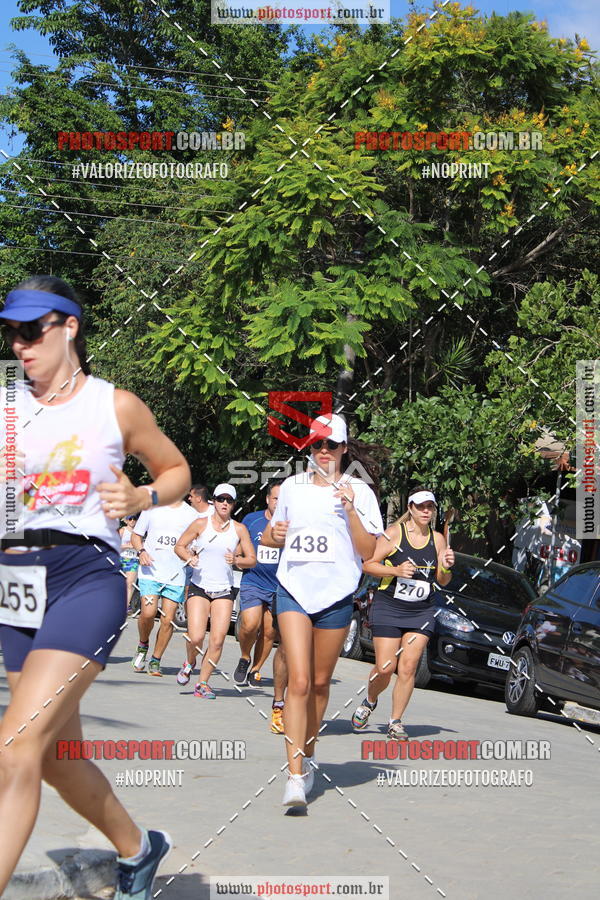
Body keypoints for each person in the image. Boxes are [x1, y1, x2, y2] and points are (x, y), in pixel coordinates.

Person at [0, 275, 190, 899]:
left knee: (16, 749)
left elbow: (176, 471)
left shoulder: (115, 405)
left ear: (70, 326)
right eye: (11, 332)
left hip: (88, 576)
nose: (20, 344)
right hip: (16, 581)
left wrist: (142, 495)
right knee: (55, 756)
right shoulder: (5, 402)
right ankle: (139, 849)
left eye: (33, 330)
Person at [260, 414, 384, 808]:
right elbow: (269, 535)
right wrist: (275, 536)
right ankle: (295, 776)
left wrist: (349, 511)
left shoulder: (360, 492)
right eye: (317, 445)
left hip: (335, 597)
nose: (324, 452)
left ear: (345, 448)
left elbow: (368, 552)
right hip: (293, 590)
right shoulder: (292, 488)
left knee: (317, 684)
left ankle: (308, 753)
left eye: (331, 445)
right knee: (297, 682)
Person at [352, 487, 455, 740]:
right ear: (410, 508)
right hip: (390, 607)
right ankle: (370, 700)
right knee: (386, 667)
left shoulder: (439, 539)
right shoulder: (394, 534)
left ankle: (395, 721)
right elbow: (368, 564)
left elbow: (443, 580)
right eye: (420, 506)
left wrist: (446, 566)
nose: (426, 511)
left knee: (408, 667)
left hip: (421, 611)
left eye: (430, 507)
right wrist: (396, 571)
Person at [174, 483, 256, 698]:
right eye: (221, 499)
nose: (225, 504)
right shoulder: (201, 524)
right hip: (200, 587)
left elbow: (252, 560)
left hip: (224, 590)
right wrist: (189, 557)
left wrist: (237, 560)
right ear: (214, 502)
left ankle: (203, 684)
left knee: (217, 640)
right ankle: (190, 662)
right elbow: (179, 546)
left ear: (233, 505)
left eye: (229, 500)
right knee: (196, 637)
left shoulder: (239, 529)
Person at [233, 481, 289, 733]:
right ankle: (245, 657)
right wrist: (237, 559)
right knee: (250, 623)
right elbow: (239, 548)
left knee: (269, 632)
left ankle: (255, 669)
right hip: (253, 580)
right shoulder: (252, 520)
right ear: (267, 500)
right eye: (275, 498)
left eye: (282, 499)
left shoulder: (291, 526)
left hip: (279, 585)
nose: (278, 503)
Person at [130, 499, 198, 676]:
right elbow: (136, 536)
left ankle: (155, 660)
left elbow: (197, 543)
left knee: (168, 620)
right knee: (148, 613)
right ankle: (143, 645)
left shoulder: (192, 514)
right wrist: (141, 552)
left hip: (175, 575)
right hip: (151, 572)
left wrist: (193, 553)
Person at [119, 514, 140, 612]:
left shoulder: (138, 532)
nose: (132, 521)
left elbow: (141, 546)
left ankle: (125, 606)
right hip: (122, 558)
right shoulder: (123, 530)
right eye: (130, 519)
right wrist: (128, 546)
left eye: (134, 519)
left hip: (133, 560)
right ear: (126, 521)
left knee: (129, 584)